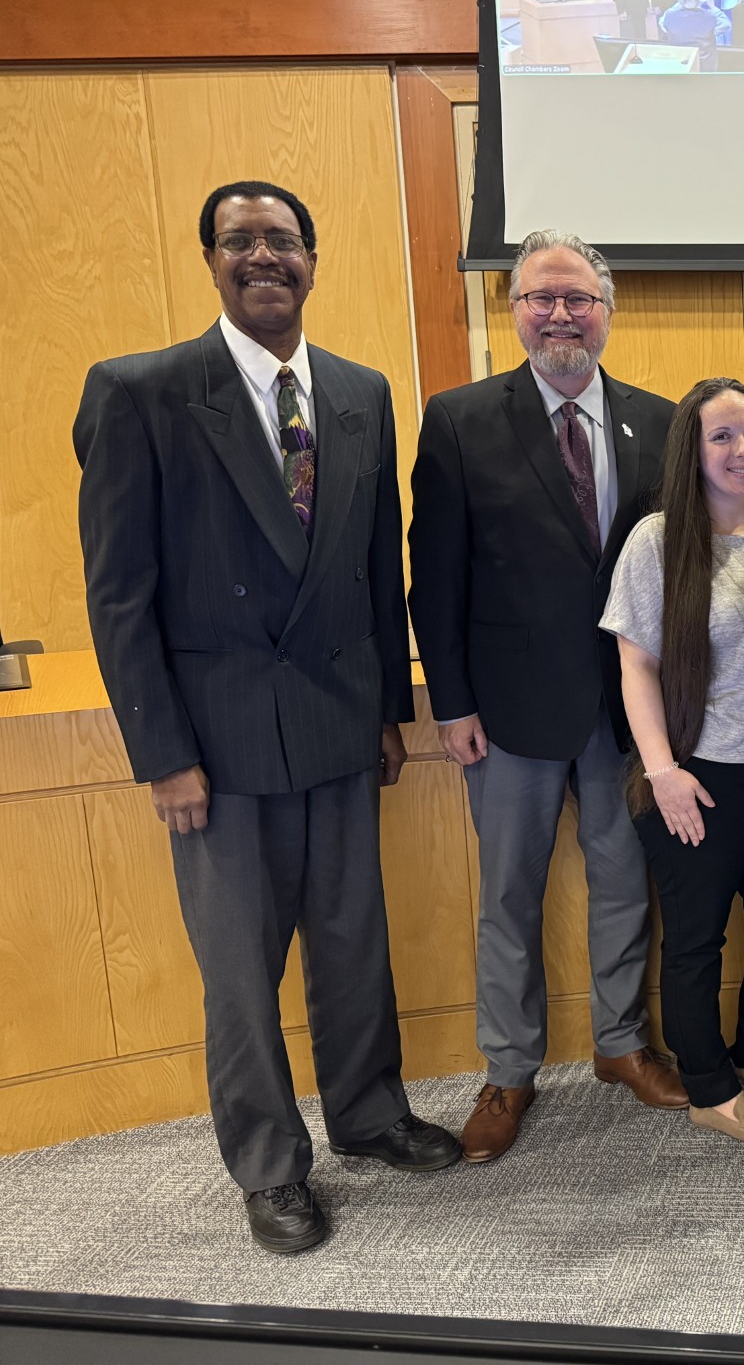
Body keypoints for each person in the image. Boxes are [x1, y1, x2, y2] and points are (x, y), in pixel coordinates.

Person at [72, 181, 460, 1254]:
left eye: (282, 240)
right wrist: (163, 755)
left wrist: (387, 713)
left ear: (312, 261)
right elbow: (118, 597)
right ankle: (269, 1167)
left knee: (352, 944)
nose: (263, 256)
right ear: (210, 259)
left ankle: (370, 1115)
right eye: (239, 240)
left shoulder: (360, 391)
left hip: (338, 726)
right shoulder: (141, 391)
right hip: (218, 746)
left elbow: (375, 566)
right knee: (241, 974)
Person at [407, 231, 684, 1164]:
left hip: (624, 711)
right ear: (515, 310)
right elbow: (435, 576)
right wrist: (452, 703)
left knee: (624, 885)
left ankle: (621, 1045)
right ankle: (509, 1069)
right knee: (508, 896)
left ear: (607, 313)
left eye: (579, 299)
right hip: (508, 713)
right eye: (542, 298)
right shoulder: (459, 420)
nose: (561, 315)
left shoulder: (660, 422)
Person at [601, 379, 744, 1145]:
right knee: (697, 940)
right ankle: (709, 1088)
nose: (742, 450)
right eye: (721, 436)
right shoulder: (658, 540)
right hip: (697, 772)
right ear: (690, 451)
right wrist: (663, 772)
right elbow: (636, 665)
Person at [661, 0, 720, 67]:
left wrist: (682, 2)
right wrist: (713, 7)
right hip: (705, 70)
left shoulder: (669, 16)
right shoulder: (710, 17)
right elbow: (726, 24)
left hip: (678, 67)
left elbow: (662, 22)